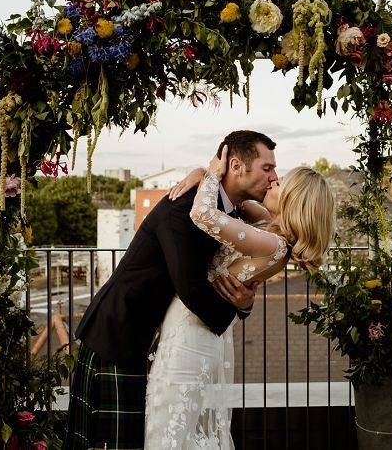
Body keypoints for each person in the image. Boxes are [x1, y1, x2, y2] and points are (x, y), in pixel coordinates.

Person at [63, 130, 278, 450]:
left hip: (149, 343)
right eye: (267, 168)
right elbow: (191, 288)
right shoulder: (186, 205)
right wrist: (233, 311)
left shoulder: (230, 209)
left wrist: (244, 302)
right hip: (119, 336)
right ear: (235, 165)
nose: (274, 177)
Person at [144, 146, 336, 449]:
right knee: (171, 425)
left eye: (281, 182)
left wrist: (212, 172)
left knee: (167, 430)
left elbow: (202, 214)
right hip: (194, 325)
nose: (273, 181)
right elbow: (240, 201)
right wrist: (198, 175)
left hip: (191, 335)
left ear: (294, 201)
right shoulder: (270, 228)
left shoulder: (272, 244)